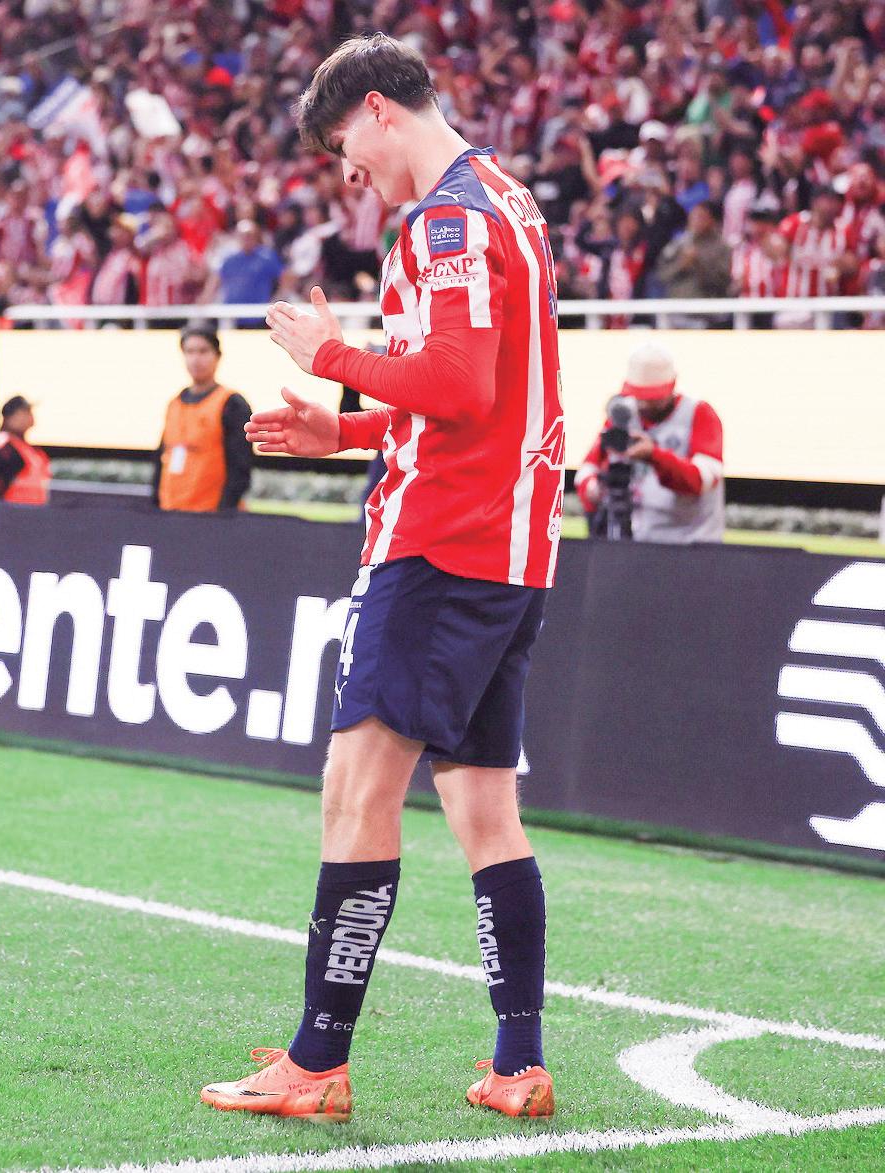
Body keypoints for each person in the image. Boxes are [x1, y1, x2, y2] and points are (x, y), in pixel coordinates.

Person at [201, 33, 564, 1122]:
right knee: (484, 807)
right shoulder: (507, 198)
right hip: (508, 551)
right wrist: (348, 428)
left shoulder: (447, 220)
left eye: (344, 150)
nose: (350, 175)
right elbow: (483, 399)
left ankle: (316, 1062)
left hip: (440, 547)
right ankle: (518, 1064)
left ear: (375, 108)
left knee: (356, 790)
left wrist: (330, 358)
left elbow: (456, 387)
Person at [575, 341, 724, 544]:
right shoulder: (624, 414)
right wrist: (596, 489)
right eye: (639, 396)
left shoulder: (699, 413)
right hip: (639, 539)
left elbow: (701, 481)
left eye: (653, 397)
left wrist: (654, 455)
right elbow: (587, 470)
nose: (644, 404)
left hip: (691, 540)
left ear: (672, 386)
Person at [154, 322, 252, 513]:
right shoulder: (174, 403)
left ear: (217, 356)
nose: (195, 359)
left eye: (203, 351)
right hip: (169, 511)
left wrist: (223, 514)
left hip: (209, 515)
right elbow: (160, 461)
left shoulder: (231, 404)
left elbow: (240, 468)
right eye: (189, 352)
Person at [0, 395, 52, 505]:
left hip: (34, 510)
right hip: (10, 509)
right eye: (25, 412)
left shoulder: (28, 449)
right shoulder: (3, 443)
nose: (29, 416)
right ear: (10, 417)